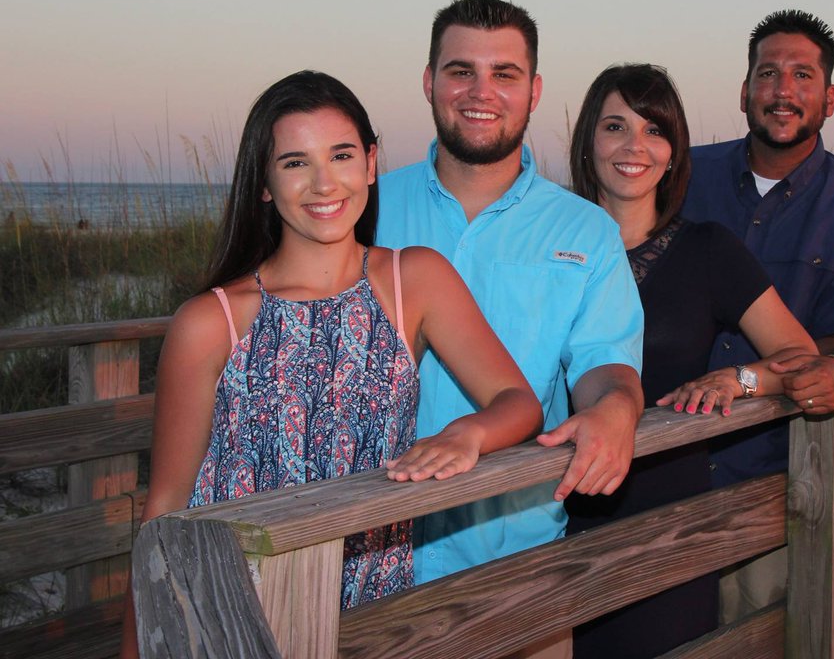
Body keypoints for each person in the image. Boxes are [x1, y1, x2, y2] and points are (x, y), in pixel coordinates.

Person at [121, 71, 542, 657]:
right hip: (231, 613)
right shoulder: (211, 321)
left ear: (370, 163)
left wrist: (468, 433)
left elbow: (518, 403)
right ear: (263, 183)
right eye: (295, 162)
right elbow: (165, 510)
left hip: (369, 610)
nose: (324, 183)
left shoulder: (413, 281)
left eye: (341, 155)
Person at [375, 0, 644, 612]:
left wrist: (617, 409)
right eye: (461, 71)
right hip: (365, 554)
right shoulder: (366, 210)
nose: (481, 92)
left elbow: (605, 361)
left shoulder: (585, 231)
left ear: (534, 91)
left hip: (518, 564)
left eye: (504, 74)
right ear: (429, 81)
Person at [565, 63, 834, 659]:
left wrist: (740, 379)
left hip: (670, 521)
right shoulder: (546, 248)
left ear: (673, 154)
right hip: (552, 514)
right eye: (615, 126)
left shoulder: (708, 250)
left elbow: (801, 356)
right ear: (588, 141)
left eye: (654, 130)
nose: (635, 146)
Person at [683, 10, 834, 622]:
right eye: (768, 73)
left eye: (802, 75)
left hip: (773, 472)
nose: (783, 91)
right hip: (663, 462)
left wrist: (758, 378)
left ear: (829, 99)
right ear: (744, 91)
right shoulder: (683, 175)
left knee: (756, 630)